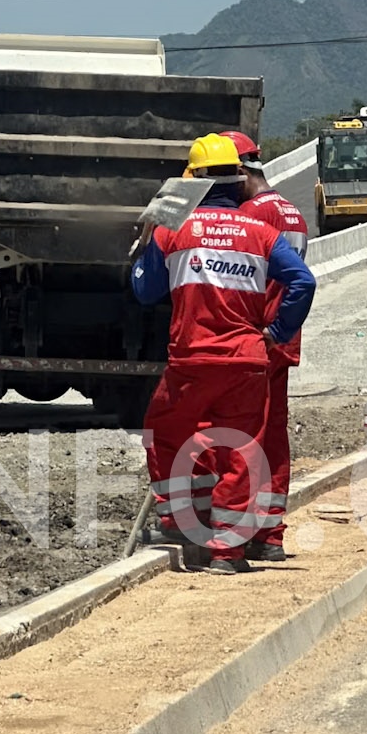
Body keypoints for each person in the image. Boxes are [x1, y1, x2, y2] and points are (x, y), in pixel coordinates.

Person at [131, 134, 315, 574]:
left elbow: (144, 291)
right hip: (248, 361)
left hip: (192, 361)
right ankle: (227, 554)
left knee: (167, 434)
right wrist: (277, 331)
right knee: (242, 452)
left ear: (191, 183)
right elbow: (303, 282)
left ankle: (177, 520)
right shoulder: (263, 232)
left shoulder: (172, 229)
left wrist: (144, 246)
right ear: (238, 179)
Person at [228, 130, 309, 562]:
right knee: (273, 436)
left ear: (241, 171)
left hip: (258, 338)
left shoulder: (251, 215)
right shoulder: (292, 210)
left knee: (243, 437)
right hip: (282, 340)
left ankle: (236, 535)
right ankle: (271, 535)